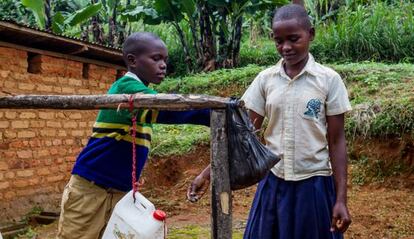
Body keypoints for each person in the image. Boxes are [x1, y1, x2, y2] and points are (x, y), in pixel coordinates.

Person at [187, 4, 352, 238]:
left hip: (314, 186)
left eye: (294, 39)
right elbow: (243, 136)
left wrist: (341, 199)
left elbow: (337, 141)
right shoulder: (266, 80)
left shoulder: (328, 80)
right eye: (278, 41)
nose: (286, 47)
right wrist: (207, 174)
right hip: (274, 185)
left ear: (311, 34)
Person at [57, 32, 210, 239]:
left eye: (164, 60)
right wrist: (212, 112)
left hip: (121, 193)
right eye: (156, 59)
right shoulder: (128, 89)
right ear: (132, 61)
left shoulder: (143, 95)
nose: (163, 65)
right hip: (91, 189)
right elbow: (169, 109)